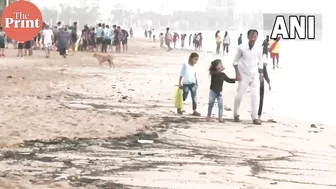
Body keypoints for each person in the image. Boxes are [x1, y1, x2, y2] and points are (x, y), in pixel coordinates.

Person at [233, 29, 264, 125]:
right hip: (243, 75)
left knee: (255, 96)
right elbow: (235, 62)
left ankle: (254, 117)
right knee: (240, 95)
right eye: (251, 36)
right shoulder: (241, 48)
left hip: (254, 75)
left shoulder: (259, 48)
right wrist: (237, 73)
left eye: (255, 36)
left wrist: (261, 73)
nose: (253, 38)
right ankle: (236, 114)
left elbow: (260, 62)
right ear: (248, 37)